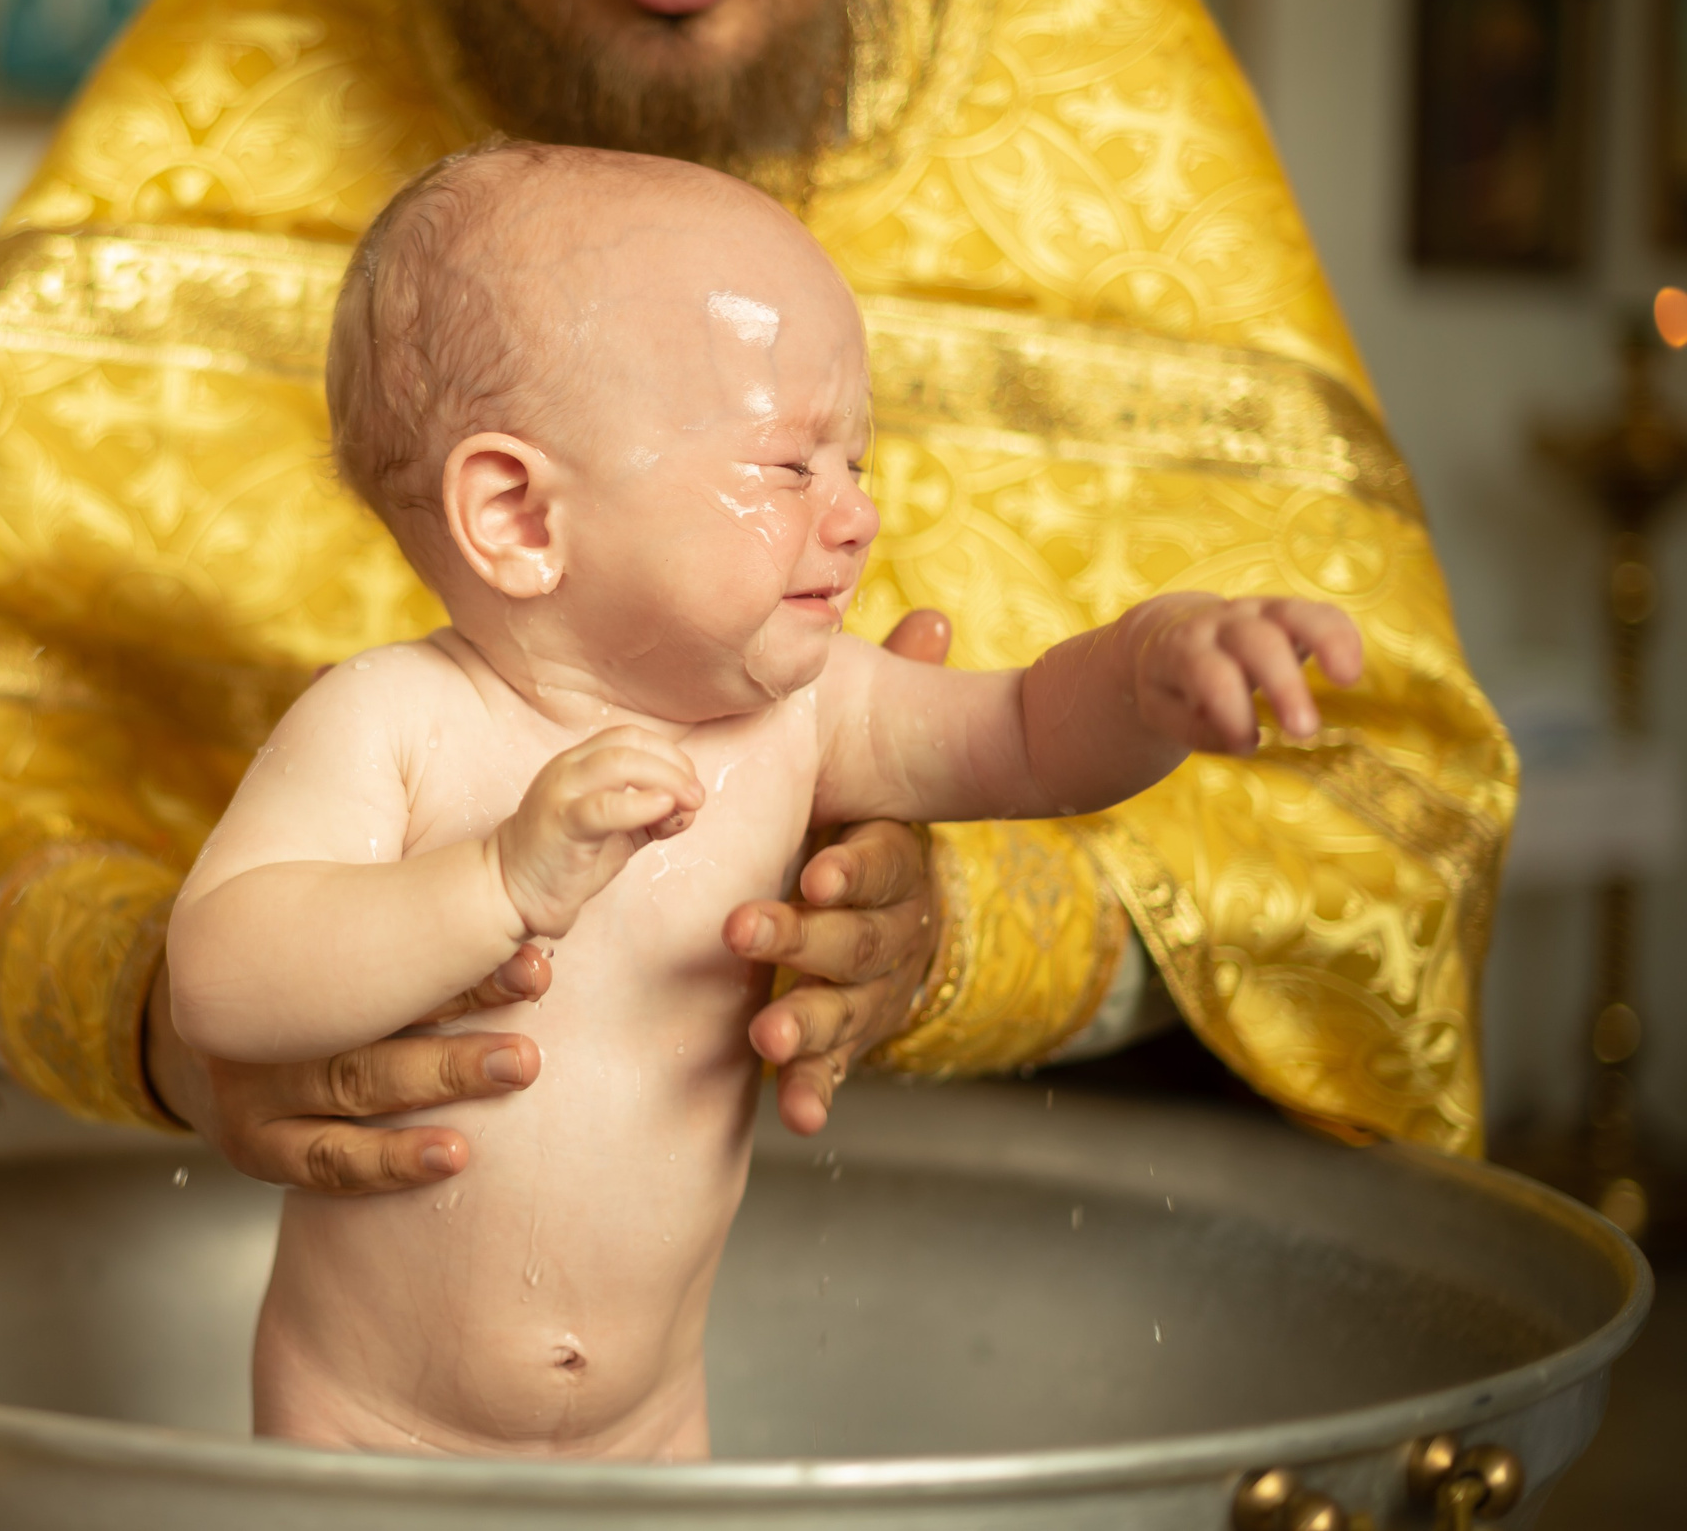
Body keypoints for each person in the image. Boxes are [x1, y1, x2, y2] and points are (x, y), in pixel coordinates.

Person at [0, 0, 1511, 1187]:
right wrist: (169, 1019)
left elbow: (1363, 818)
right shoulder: (222, 114)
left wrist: (969, 938)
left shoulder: (1115, 154)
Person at [167, 141, 1364, 1456]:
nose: (856, 516)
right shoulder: (395, 720)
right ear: (517, 514)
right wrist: (495, 882)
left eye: (855, 463)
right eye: (792, 467)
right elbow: (221, 978)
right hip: (368, 1428)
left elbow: (1023, 732)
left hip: (649, 1424)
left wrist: (1144, 674)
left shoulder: (803, 714)